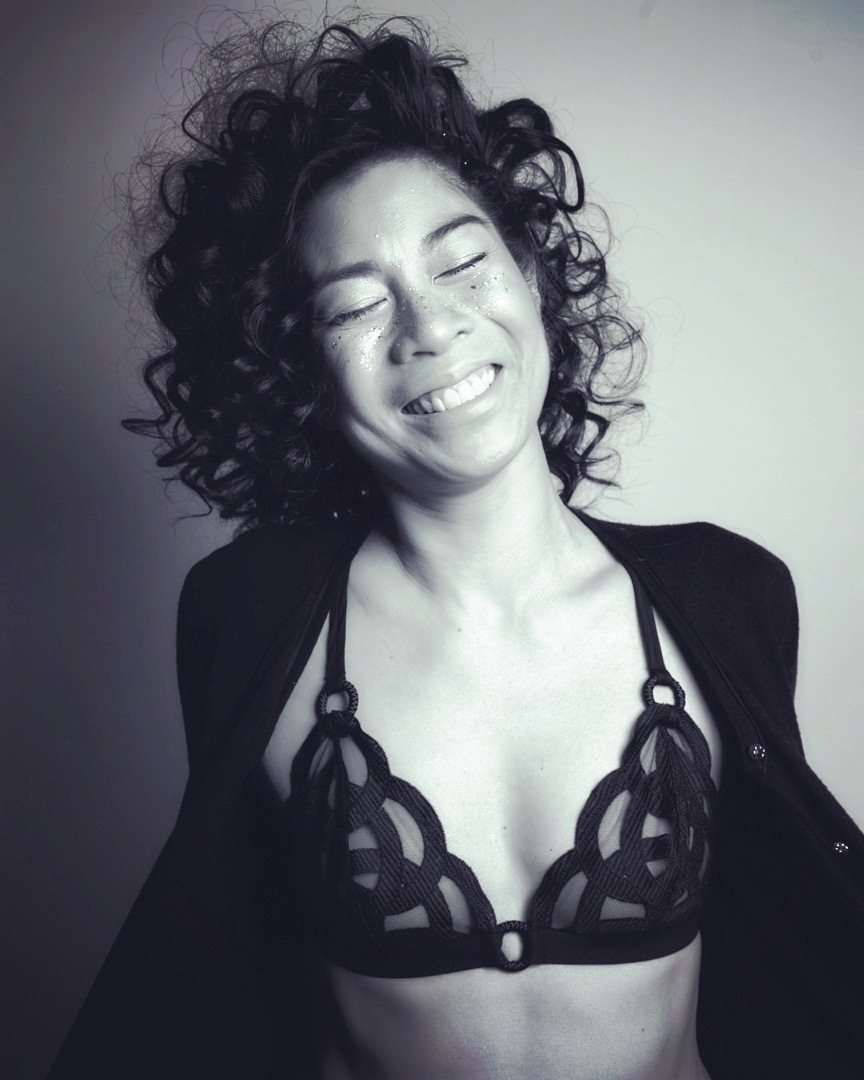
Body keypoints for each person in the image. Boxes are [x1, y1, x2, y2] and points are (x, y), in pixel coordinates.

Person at [49, 12, 864, 1080]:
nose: (429, 329)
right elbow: (234, 964)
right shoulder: (245, 615)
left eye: (464, 265)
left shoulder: (731, 594)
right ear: (300, 366)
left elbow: (787, 944)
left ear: (531, 277)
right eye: (354, 306)